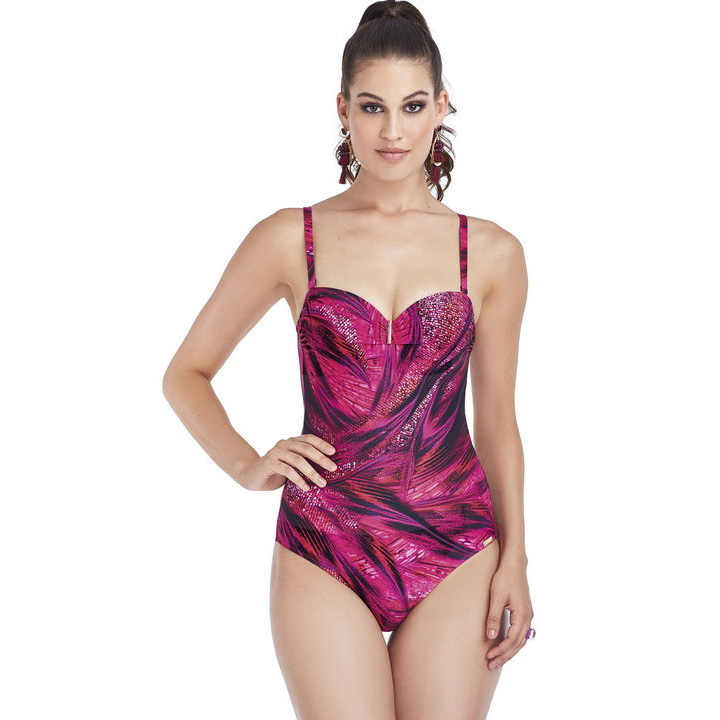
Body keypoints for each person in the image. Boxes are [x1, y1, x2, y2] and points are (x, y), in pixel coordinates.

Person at [162, 1, 535, 717]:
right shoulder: (288, 238)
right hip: (323, 540)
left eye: (412, 106)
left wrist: (515, 556)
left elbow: (497, 423)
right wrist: (247, 464)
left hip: (456, 541)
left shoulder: (492, 253)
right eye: (372, 107)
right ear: (343, 109)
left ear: (442, 106)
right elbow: (186, 373)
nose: (393, 131)